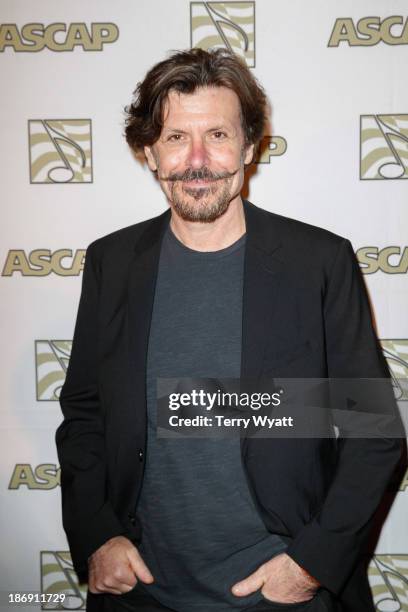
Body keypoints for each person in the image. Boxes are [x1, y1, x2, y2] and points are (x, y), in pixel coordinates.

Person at [55, 48, 404, 612]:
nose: (197, 160)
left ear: (248, 146)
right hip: (140, 593)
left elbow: (373, 434)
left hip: (283, 594)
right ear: (149, 152)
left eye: (217, 135)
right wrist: (96, 535)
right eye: (175, 138)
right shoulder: (112, 263)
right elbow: (86, 415)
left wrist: (311, 564)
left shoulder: (318, 261)